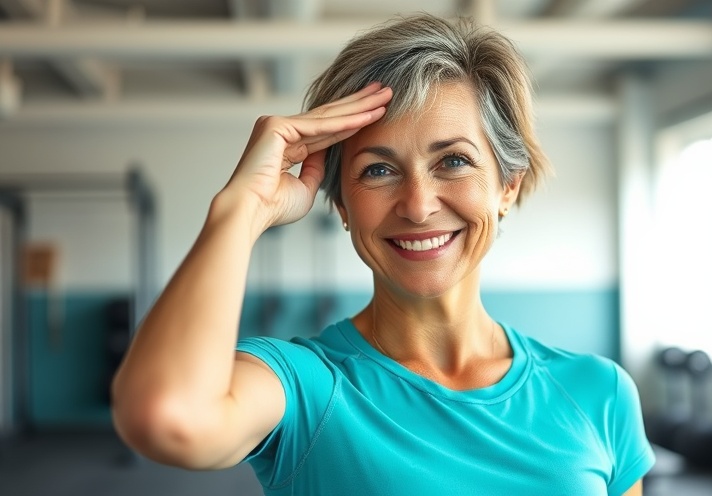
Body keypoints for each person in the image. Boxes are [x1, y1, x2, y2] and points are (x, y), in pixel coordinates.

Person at [111, 13, 655, 496]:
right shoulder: (309, 389)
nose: (418, 206)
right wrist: (242, 208)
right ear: (343, 205)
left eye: (454, 162)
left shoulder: (599, 392)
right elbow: (167, 416)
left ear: (506, 186)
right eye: (378, 170)